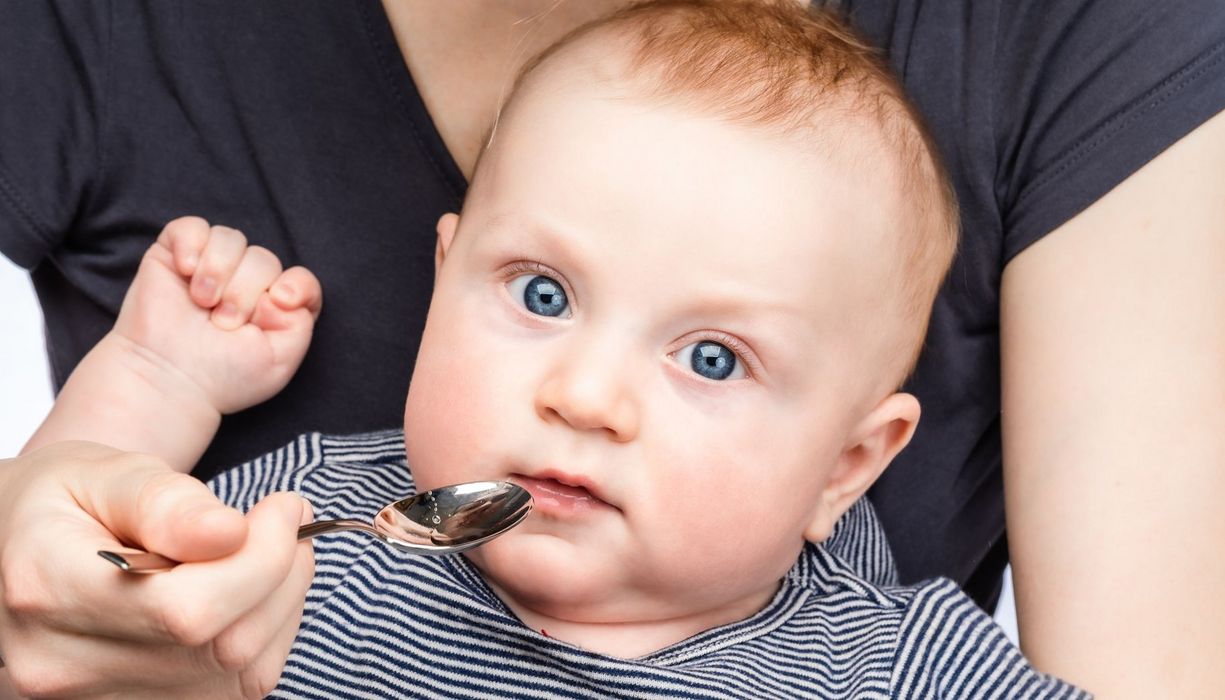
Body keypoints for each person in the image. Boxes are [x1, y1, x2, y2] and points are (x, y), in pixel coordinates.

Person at [0, 0, 1221, 695]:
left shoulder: (894, 664)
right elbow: (91, 581)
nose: (582, 394)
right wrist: (152, 384)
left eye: (710, 360)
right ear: (441, 279)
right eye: (538, 293)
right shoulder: (313, 516)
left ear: (850, 463)